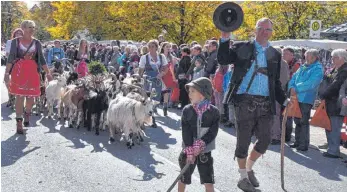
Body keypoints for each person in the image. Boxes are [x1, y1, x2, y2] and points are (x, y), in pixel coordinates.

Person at [217, 18, 288, 191]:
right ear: (255, 30)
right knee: (243, 142)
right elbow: (223, 58)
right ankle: (242, 177)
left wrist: (285, 100)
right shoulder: (242, 47)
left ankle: (248, 168)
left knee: (265, 140)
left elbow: (275, 82)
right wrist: (225, 38)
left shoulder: (275, 54)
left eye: (268, 30)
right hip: (243, 100)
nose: (265, 32)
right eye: (261, 28)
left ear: (272, 32)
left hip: (265, 102)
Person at [3, 20, 53, 134]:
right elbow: (10, 58)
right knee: (19, 97)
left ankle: (27, 112)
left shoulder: (37, 43)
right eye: (29, 27)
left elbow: (42, 59)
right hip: (19, 72)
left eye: (33, 27)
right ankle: (19, 121)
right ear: (23, 28)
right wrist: (6, 74)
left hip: (32, 72)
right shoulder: (15, 42)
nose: (32, 29)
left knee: (31, 98)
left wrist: (48, 73)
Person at [178, 77, 220, 192]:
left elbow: (213, 132)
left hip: (205, 152)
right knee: (183, 178)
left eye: (193, 91)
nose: (189, 94)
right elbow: (186, 131)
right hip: (188, 152)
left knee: (209, 182)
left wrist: (202, 143)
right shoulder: (187, 110)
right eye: (189, 91)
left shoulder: (214, 112)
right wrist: (190, 148)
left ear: (202, 94)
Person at [287, 49, 323, 151]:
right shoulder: (303, 66)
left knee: (303, 121)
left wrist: (296, 88)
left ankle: (303, 144)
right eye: (305, 56)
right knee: (297, 120)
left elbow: (312, 83)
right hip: (296, 96)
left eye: (308, 56)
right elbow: (293, 78)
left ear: (315, 57)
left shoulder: (317, 68)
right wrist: (291, 87)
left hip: (306, 98)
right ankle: (297, 141)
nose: (306, 58)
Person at [319, 49, 347, 158]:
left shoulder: (344, 70)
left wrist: (323, 95)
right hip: (331, 101)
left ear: (341, 58)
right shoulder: (335, 69)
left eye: (334, 57)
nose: (332, 59)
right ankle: (331, 146)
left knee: (335, 126)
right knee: (329, 125)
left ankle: (334, 150)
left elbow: (336, 85)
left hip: (337, 103)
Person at [139, 39, 169, 127]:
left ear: (156, 47)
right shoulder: (144, 57)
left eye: (153, 46)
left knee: (155, 99)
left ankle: (151, 116)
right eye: (149, 46)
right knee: (147, 99)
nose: (151, 48)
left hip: (157, 80)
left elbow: (166, 67)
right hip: (147, 80)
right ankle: (150, 119)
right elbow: (141, 70)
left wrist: (162, 74)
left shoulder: (161, 57)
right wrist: (139, 78)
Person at [282, 47, 301, 142]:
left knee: (288, 114)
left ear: (292, 55)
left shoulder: (296, 65)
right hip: (284, 90)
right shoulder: (284, 63)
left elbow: (294, 79)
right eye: (283, 53)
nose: (283, 55)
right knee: (283, 113)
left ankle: (287, 136)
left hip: (291, 92)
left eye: (286, 53)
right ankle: (283, 133)